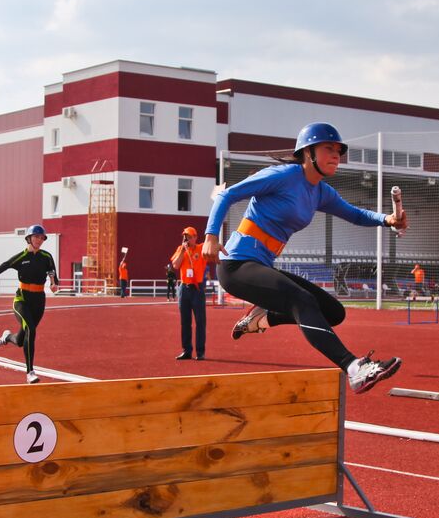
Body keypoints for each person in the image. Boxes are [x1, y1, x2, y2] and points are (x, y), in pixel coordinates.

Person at [203, 122, 407, 394]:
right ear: (308, 152)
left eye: (338, 151)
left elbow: (355, 214)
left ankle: (261, 320)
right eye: (328, 148)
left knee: (333, 312)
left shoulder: (321, 191)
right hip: (236, 265)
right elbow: (227, 194)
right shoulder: (283, 175)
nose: (336, 155)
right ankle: (353, 368)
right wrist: (211, 236)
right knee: (302, 300)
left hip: (262, 266)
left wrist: (387, 219)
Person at [0, 224, 59, 384]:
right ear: (29, 238)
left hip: (39, 300)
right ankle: (30, 372)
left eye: (42, 238)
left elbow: (53, 275)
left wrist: (54, 284)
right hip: (22, 300)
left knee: (20, 340)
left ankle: (7, 337)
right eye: (36, 237)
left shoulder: (47, 256)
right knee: (31, 329)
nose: (39, 240)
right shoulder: (21, 257)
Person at [171, 226, 208, 360]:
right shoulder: (180, 249)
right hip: (184, 289)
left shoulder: (201, 248)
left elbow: (212, 247)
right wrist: (182, 250)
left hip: (197, 289)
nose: (186, 239)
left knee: (200, 321)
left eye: (189, 236)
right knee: (185, 322)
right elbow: (175, 265)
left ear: (195, 237)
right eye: (185, 237)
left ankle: (200, 352)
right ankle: (186, 350)